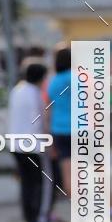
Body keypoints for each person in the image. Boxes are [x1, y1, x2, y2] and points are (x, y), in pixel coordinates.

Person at [8, 59, 52, 222]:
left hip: (16, 143)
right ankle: (37, 218)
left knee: (26, 182)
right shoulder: (35, 93)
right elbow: (39, 120)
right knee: (37, 183)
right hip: (32, 145)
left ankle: (29, 218)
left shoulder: (16, 90)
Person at [47, 44, 72, 198]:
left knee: (68, 173)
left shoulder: (53, 82)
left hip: (59, 130)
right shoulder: (78, 78)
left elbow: (48, 110)